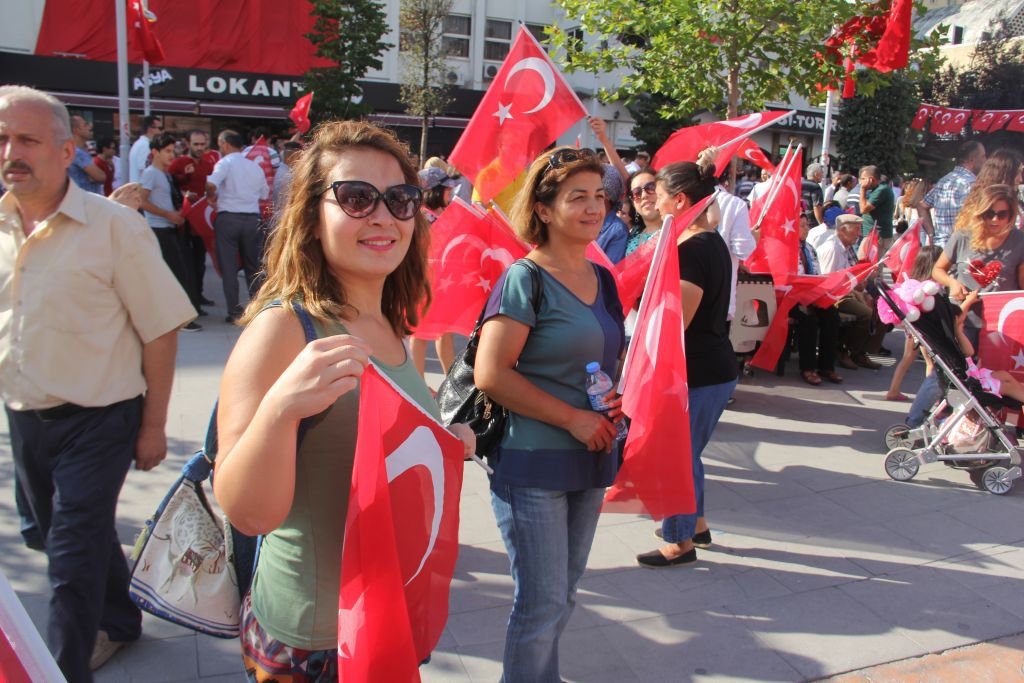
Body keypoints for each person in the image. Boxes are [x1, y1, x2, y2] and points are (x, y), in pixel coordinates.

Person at [212, 120, 474, 681]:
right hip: (315, 639)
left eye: (401, 199)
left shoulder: (392, 321)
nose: (383, 216)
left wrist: (442, 435)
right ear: (311, 217)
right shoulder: (283, 329)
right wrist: (282, 410)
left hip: (387, 610)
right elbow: (247, 512)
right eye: (356, 198)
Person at [0, 85, 196, 681]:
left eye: (27, 140)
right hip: (25, 417)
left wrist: (154, 426)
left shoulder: (114, 227)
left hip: (101, 419)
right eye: (3, 139)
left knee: (70, 555)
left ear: (66, 152)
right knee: (54, 535)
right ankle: (121, 617)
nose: (12, 152)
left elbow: (162, 329)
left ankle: (64, 669)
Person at [473, 147, 625, 682]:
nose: (592, 208)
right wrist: (572, 418)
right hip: (533, 459)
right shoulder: (524, 279)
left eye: (599, 197)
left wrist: (609, 402)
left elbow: (600, 359)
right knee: (539, 605)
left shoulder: (602, 279)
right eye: (577, 197)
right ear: (543, 208)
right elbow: (491, 374)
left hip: (590, 454)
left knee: (563, 595)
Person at [637, 153, 737, 568]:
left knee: (676, 457)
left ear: (679, 201)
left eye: (657, 194)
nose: (652, 201)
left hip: (698, 369)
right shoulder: (700, 239)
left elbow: (678, 322)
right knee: (687, 454)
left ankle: (679, 542)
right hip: (707, 367)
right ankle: (695, 524)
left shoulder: (695, 247)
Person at [932, 184, 1024, 346]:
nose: (995, 219)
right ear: (980, 213)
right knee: (961, 370)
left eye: (1002, 214)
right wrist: (952, 283)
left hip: (1000, 324)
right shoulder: (962, 237)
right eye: (990, 213)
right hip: (962, 321)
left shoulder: (1019, 241)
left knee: (993, 372)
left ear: (1011, 216)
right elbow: (938, 270)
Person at [140, 132, 204, 329]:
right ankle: (178, 319)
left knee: (176, 273)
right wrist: (168, 214)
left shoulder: (164, 174)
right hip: (159, 229)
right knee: (175, 274)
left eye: (172, 151)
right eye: (167, 151)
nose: (171, 155)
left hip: (169, 227)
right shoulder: (151, 173)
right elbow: (142, 200)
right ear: (155, 152)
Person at [206, 129, 269, 322]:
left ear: (224, 144)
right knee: (253, 267)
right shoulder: (255, 167)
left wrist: (210, 197)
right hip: (251, 219)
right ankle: (257, 308)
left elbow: (211, 183)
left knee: (229, 267)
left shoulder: (225, 163)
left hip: (229, 218)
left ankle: (234, 311)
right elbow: (264, 194)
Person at [409, 165, 458, 376]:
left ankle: (450, 381)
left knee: (443, 333)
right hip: (424, 282)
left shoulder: (439, 216)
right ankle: (419, 385)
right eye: (446, 188)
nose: (451, 191)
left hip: (439, 283)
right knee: (420, 334)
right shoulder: (423, 218)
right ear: (434, 191)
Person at [815, 214, 881, 370]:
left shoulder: (848, 249)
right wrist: (854, 287)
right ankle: (844, 349)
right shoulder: (832, 248)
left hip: (849, 293)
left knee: (881, 310)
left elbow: (856, 277)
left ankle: (861, 352)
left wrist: (863, 290)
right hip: (835, 297)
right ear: (843, 230)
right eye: (856, 229)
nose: (859, 233)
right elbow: (827, 282)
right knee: (866, 314)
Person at [169, 130, 220, 308]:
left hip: (199, 220)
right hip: (184, 220)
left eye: (202, 144)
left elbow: (207, 187)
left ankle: (198, 295)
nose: (199, 147)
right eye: (196, 144)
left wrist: (210, 194)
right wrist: (182, 189)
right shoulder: (179, 163)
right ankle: (189, 300)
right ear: (188, 144)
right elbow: (169, 183)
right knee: (187, 262)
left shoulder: (207, 164)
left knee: (199, 261)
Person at [886, 246, 941, 401]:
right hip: (925, 330)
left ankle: (893, 390)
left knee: (907, 358)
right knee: (930, 363)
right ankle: (931, 398)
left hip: (912, 328)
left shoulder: (914, 283)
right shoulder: (932, 286)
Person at [794, 213, 842, 385]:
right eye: (803, 226)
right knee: (809, 320)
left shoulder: (809, 248)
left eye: (807, 225)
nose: (807, 229)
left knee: (832, 316)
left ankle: (827, 366)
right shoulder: (786, 248)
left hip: (813, 293)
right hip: (792, 297)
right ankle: (808, 368)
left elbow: (818, 273)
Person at [917, 140, 986, 247]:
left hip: (941, 248)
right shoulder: (972, 183)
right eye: (983, 156)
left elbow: (922, 206)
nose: (985, 160)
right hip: (961, 249)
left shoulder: (944, 181)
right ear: (972, 159)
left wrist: (931, 234)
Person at [858, 165, 896, 255]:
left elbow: (863, 209)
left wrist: (862, 189)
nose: (860, 182)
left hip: (877, 236)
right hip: (873, 235)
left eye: (863, 179)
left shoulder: (881, 190)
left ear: (870, 179)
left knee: (868, 266)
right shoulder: (877, 189)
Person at [625, 169, 661, 256]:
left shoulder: (678, 229)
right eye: (637, 193)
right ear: (633, 203)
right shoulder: (632, 235)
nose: (644, 195)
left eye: (651, 187)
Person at [67, 114, 106, 194]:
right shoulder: (77, 152)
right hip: (83, 201)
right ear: (76, 130)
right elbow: (101, 177)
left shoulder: (84, 150)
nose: (90, 127)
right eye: (85, 125)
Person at [128, 115, 162, 183]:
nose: (160, 131)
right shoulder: (145, 146)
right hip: (142, 190)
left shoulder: (140, 144)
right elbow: (145, 172)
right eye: (159, 128)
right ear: (150, 129)